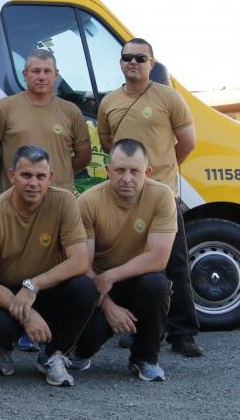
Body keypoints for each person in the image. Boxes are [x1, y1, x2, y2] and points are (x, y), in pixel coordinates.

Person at [97, 37, 202, 357]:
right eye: (128, 58)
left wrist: (161, 174)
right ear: (120, 63)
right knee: (130, 264)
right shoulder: (109, 102)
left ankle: (183, 333)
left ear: (152, 64)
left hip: (162, 194)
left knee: (175, 266)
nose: (134, 63)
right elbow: (106, 143)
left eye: (141, 59)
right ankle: (136, 329)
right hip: (124, 197)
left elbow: (187, 142)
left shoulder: (169, 97)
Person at [0, 145, 96, 387]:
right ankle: (2, 348)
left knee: (85, 288)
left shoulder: (64, 202)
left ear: (50, 177)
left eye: (41, 176)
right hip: (5, 291)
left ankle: (52, 355)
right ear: (11, 175)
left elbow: (81, 261)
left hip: (45, 287)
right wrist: (27, 314)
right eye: (26, 175)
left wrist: (33, 287)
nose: (34, 183)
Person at [71, 139, 176, 381]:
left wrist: (112, 276)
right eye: (120, 170)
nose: (127, 178)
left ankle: (145, 359)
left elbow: (159, 258)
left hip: (135, 278)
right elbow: (81, 265)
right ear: (108, 171)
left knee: (157, 286)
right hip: (98, 284)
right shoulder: (88, 201)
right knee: (89, 331)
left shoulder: (162, 196)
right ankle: (81, 351)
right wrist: (109, 307)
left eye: (134, 171)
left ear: (147, 172)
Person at [0, 49, 91, 192]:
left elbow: (84, 157)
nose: (42, 77)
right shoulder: (4, 108)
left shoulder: (71, 111)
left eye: (47, 71)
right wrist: (10, 169)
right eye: (36, 71)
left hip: (58, 200)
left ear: (56, 75)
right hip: (17, 198)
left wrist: (60, 175)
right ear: (25, 74)